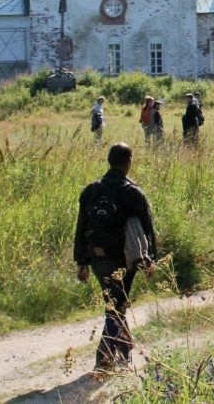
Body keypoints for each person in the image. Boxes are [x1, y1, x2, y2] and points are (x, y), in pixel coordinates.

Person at [73, 142, 157, 372]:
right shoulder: (133, 193)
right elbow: (147, 230)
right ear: (128, 162)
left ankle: (124, 350)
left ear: (109, 161)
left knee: (115, 302)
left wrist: (81, 261)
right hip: (124, 259)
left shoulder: (91, 191)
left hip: (97, 257)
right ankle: (103, 360)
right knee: (116, 306)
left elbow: (81, 227)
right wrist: (150, 259)